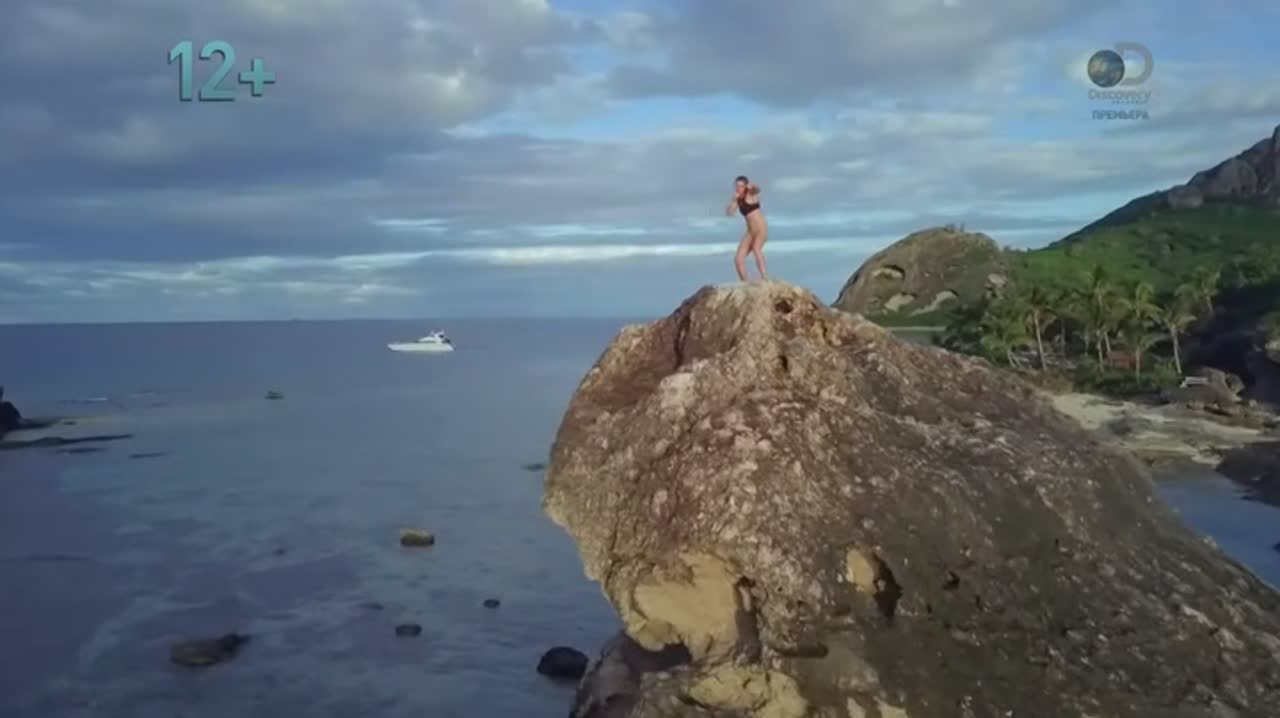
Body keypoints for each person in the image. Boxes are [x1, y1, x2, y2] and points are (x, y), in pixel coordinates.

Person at [724, 175, 768, 281]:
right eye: (737, 186)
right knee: (738, 258)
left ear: (745, 186)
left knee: (756, 248)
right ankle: (745, 282)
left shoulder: (750, 194)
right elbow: (729, 213)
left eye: (741, 186)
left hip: (761, 229)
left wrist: (751, 186)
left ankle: (765, 277)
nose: (738, 188)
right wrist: (733, 200)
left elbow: (757, 189)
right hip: (750, 231)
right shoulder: (738, 199)